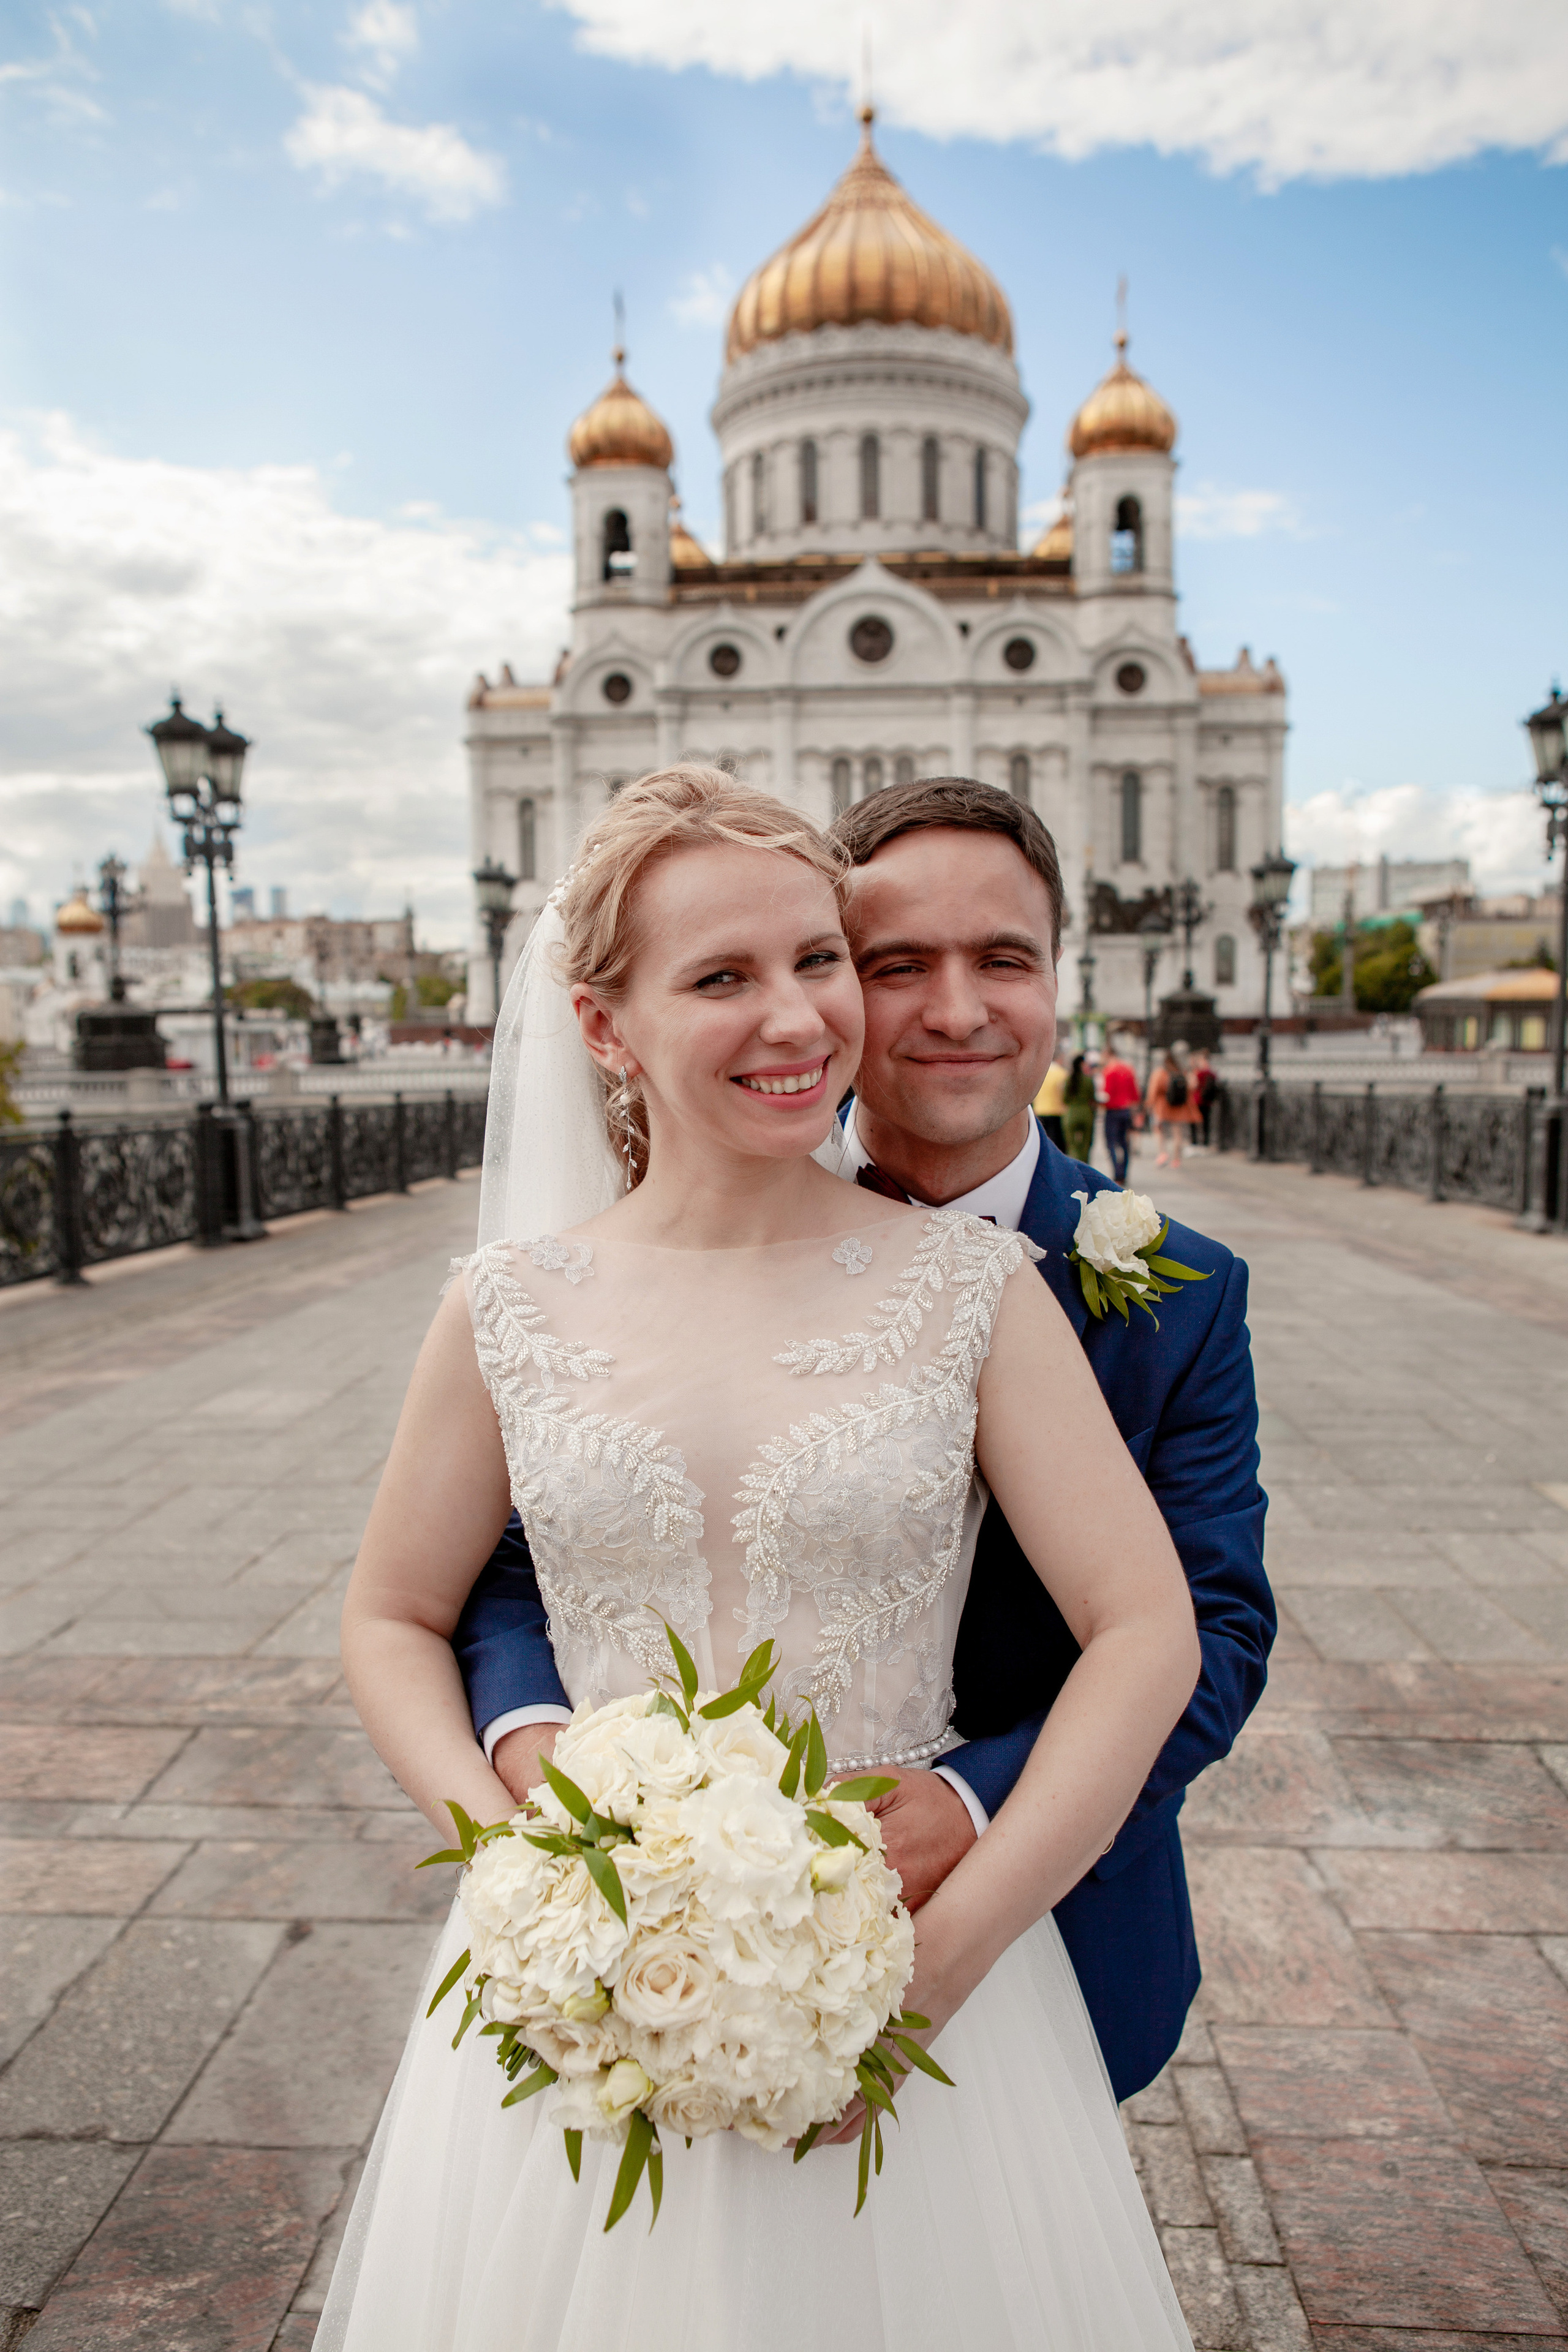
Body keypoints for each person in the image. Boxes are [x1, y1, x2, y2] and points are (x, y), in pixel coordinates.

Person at [324, 767, 1201, 2349]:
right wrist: (529, 1872)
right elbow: (394, 1612)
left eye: (815, 959)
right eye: (722, 978)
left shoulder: (971, 1288)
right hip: (587, 1977)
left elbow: (1149, 1626)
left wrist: (950, 1951)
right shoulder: (507, 1303)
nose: (798, 1019)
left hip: (913, 1972)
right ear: (605, 1025)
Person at [457, 777, 1272, 2109]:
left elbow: (1210, 1630)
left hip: (1042, 1917)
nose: (956, 1010)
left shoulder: (1177, 1288)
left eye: (1002, 959)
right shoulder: (665, 1242)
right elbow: (521, 1553)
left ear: (1056, 975)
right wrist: (546, 1760)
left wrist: (969, 1808)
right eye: (897, 965)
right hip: (653, 1909)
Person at [1147, 1044, 1200, 1170]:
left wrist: (1149, 1105)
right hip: (1178, 1108)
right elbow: (1192, 1087)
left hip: (1162, 1107)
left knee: (1159, 1131)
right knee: (1178, 1134)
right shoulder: (1181, 1072)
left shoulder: (1160, 1072)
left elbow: (1153, 1091)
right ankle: (1176, 1159)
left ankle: (1163, 1153)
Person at [1099, 1037, 1141, 1184]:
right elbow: (1135, 1094)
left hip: (1113, 1111)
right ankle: (1124, 1173)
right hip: (1127, 1110)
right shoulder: (1128, 1069)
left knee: (1111, 1143)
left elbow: (1106, 1094)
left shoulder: (1109, 1071)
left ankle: (1117, 1173)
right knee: (1125, 1143)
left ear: (1108, 1054)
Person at [1061, 1050, 1097, 1165]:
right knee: (1086, 1144)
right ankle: (1084, 1165)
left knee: (1072, 1145)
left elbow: (1065, 1099)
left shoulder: (1068, 1080)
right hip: (1086, 1113)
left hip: (1071, 1114)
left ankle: (1074, 1164)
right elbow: (1093, 1098)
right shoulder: (1088, 1080)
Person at [1032, 1044, 1068, 1149]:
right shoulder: (1062, 1074)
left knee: (1043, 1140)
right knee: (1056, 1141)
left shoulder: (1040, 1073)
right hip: (1057, 1111)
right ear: (1060, 1059)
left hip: (1040, 1111)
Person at [1191, 1049, 1220, 1148]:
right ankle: (1205, 1143)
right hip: (1207, 1101)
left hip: (1197, 1099)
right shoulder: (1211, 1072)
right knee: (1206, 1122)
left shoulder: (1199, 1073)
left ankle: (1195, 1142)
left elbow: (1194, 1085)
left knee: (1194, 1122)